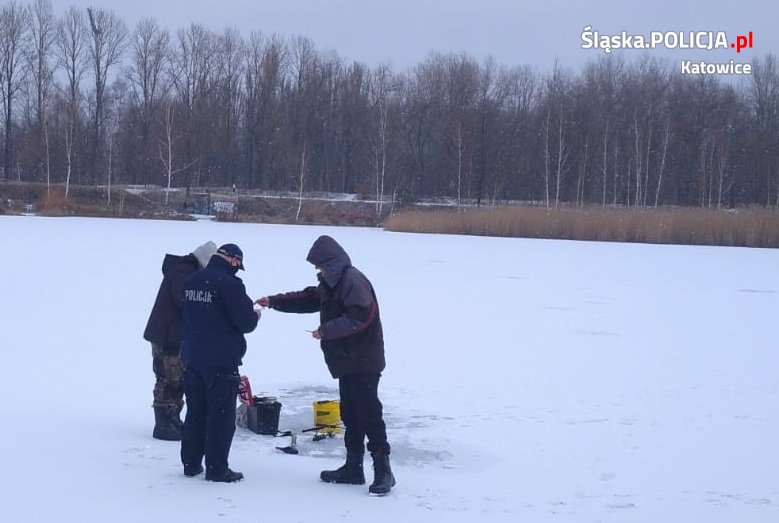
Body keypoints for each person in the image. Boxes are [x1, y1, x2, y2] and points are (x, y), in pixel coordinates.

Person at [256, 235, 395, 495]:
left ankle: (383, 470)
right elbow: (308, 299)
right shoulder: (333, 283)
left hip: (364, 361)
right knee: (351, 415)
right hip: (348, 361)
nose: (318, 271)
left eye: (319, 266)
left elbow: (361, 316)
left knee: (369, 415)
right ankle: (353, 467)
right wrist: (273, 301)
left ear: (331, 262)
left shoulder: (353, 281)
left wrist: (326, 330)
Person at [180, 243, 260, 482]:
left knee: (196, 412)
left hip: (192, 356)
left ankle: (191, 463)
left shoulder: (192, 280)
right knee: (221, 416)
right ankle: (217, 468)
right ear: (234, 261)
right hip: (221, 359)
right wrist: (254, 315)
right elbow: (245, 323)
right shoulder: (231, 285)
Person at [143, 241, 217, 441]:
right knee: (169, 379)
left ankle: (173, 419)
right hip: (167, 336)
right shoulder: (183, 272)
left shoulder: (187, 271)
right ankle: (164, 424)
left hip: (175, 334)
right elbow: (185, 301)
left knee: (178, 379)